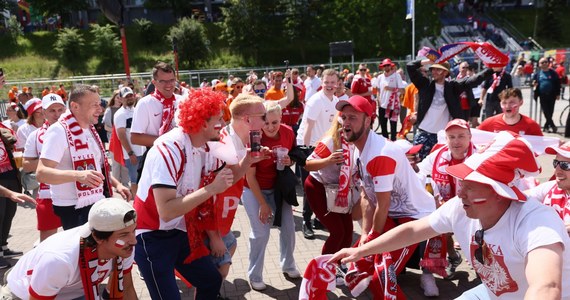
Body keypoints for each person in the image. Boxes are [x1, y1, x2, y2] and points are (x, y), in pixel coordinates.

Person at [330, 131, 570, 299]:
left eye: (472, 184)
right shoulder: (460, 207)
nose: (460, 191)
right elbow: (414, 230)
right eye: (461, 181)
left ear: (500, 191)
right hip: (490, 294)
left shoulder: (537, 221)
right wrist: (360, 250)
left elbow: (546, 286)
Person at [133, 88, 259, 299]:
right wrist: (210, 189)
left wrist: (247, 161)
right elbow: (166, 210)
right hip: (151, 235)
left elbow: (227, 178)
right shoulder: (168, 149)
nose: (223, 125)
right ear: (202, 123)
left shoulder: (206, 145)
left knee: (211, 280)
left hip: (179, 230)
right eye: (218, 119)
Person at [335, 95, 435, 298]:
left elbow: (382, 203)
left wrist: (373, 238)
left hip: (414, 217)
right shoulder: (357, 149)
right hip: (391, 214)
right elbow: (366, 195)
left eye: (353, 117)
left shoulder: (379, 153)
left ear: (368, 120)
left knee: (380, 279)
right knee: (355, 264)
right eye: (344, 117)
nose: (346, 122)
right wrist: (365, 235)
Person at [2, 198, 138, 299]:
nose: (134, 240)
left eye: (133, 231)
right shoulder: (60, 259)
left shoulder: (124, 248)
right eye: (124, 235)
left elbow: (127, 289)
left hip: (69, 293)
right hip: (23, 295)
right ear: (98, 237)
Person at [36, 84, 131, 230]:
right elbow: (42, 173)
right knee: (84, 252)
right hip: (73, 207)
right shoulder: (59, 131)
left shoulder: (89, 128)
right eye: (94, 105)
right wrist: (78, 175)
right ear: (75, 106)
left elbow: (95, 168)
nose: (100, 109)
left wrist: (117, 184)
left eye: (100, 104)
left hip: (96, 200)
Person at [242, 101, 300, 291]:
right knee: (261, 233)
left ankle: (288, 264)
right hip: (253, 188)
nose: (270, 127)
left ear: (281, 118)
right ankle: (255, 274)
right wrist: (262, 204)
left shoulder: (288, 132)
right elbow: (249, 176)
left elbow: (294, 154)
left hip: (278, 188)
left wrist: (289, 160)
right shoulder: (254, 138)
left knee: (289, 228)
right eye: (265, 122)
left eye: (274, 122)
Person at [417, 118, 476, 281]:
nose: (456, 141)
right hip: (447, 202)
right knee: (441, 228)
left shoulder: (479, 156)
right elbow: (420, 172)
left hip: (473, 204)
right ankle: (453, 257)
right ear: (446, 139)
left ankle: (480, 263)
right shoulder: (437, 155)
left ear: (470, 137)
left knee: (477, 235)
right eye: (452, 137)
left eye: (461, 136)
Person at [407, 59, 495, 159]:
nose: (434, 72)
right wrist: (427, 61)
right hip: (424, 133)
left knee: (442, 165)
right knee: (420, 165)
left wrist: (491, 70)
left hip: (444, 136)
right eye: (433, 69)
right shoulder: (425, 85)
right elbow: (410, 66)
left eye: (438, 70)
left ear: (445, 72)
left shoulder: (453, 87)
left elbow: (472, 81)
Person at [304, 114, 355, 264]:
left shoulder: (358, 141)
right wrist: (328, 160)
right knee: (337, 232)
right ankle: (324, 268)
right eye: (346, 125)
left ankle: (339, 266)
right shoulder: (330, 141)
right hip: (318, 187)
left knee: (347, 231)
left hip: (340, 190)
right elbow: (307, 164)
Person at [297, 69, 340, 239]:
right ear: (321, 82)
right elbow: (307, 127)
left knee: (323, 185)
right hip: (309, 148)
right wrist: (306, 152)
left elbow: (334, 128)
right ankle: (306, 221)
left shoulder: (336, 101)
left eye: (332, 82)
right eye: (326, 82)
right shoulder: (315, 101)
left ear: (337, 83)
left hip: (324, 147)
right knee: (310, 187)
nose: (329, 85)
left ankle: (318, 219)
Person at [22, 94, 66, 242]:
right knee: (48, 241)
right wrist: (49, 159)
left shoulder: (77, 131)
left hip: (75, 193)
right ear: (44, 112)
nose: (57, 114)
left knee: (78, 239)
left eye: (60, 109)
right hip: (48, 194)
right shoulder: (35, 136)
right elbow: (26, 165)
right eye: (52, 110)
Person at [130, 62, 182, 182]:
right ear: (154, 82)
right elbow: (135, 138)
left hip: (181, 156)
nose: (168, 84)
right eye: (163, 81)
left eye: (172, 80)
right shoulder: (145, 103)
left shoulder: (182, 101)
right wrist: (168, 142)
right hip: (155, 155)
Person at [525, 141, 570, 234]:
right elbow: (516, 198)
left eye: (565, 165)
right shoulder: (552, 187)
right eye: (556, 162)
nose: (557, 170)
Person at [113, 86, 145, 197]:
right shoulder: (120, 114)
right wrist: (130, 153)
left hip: (142, 151)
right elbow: (121, 136)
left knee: (143, 179)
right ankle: (137, 203)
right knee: (135, 180)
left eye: (131, 95)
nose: (129, 98)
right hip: (133, 153)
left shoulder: (136, 110)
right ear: (120, 99)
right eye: (126, 97)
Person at [478, 88, 543, 136]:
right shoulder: (488, 123)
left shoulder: (532, 126)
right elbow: (475, 140)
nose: (507, 106)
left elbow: (541, 146)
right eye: (504, 103)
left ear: (521, 102)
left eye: (512, 102)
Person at [377, 59, 405, 141]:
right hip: (382, 105)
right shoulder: (380, 77)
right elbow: (378, 90)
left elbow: (403, 90)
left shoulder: (396, 76)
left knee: (393, 128)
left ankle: (393, 145)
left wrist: (390, 88)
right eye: (385, 65)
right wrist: (378, 100)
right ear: (382, 67)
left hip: (393, 106)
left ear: (391, 66)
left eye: (388, 65)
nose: (386, 67)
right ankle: (385, 144)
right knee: (383, 128)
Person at [533, 57, 561, 133]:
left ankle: (546, 127)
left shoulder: (553, 73)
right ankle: (552, 125)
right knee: (546, 112)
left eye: (545, 62)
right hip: (542, 95)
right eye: (542, 62)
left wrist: (558, 94)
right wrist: (533, 84)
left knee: (550, 112)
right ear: (539, 65)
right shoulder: (537, 74)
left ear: (548, 63)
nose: (544, 63)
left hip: (552, 95)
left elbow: (558, 83)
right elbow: (533, 82)